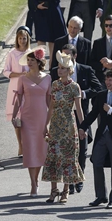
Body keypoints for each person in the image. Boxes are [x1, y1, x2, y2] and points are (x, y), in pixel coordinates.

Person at [51, 44, 102, 194]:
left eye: (69, 55)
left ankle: (78, 179)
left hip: (80, 115)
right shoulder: (56, 73)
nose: (66, 59)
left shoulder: (85, 70)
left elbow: (98, 88)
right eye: (63, 55)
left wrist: (81, 94)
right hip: (61, 118)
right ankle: (68, 184)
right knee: (64, 152)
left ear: (75, 56)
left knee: (81, 150)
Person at [79, 69, 112, 209]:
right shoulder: (101, 95)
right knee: (96, 162)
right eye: (106, 80)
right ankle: (101, 195)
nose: (107, 82)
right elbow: (93, 113)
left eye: (110, 80)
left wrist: (111, 110)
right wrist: (82, 127)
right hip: (102, 135)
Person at [42, 51, 85, 204]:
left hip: (68, 127)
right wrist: (45, 125)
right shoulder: (55, 85)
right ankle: (53, 191)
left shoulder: (75, 87)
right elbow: (51, 107)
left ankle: (65, 191)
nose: (59, 70)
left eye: (63, 68)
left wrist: (83, 127)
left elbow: (79, 109)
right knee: (53, 157)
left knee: (67, 158)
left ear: (69, 71)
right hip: (55, 126)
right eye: (59, 68)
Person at [12, 47, 51, 197]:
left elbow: (49, 100)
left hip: (42, 118)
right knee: (29, 150)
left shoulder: (47, 78)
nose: (29, 63)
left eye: (32, 60)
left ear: (38, 61)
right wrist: (15, 117)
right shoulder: (22, 78)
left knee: (41, 149)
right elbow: (18, 100)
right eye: (28, 60)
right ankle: (33, 184)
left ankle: (36, 179)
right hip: (27, 118)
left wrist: (51, 119)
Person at [3, 25, 31, 158]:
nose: (22, 41)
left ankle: (27, 145)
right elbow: (5, 71)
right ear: (17, 39)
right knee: (17, 120)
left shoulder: (31, 53)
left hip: (28, 89)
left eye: (24, 38)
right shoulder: (12, 54)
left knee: (26, 119)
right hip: (14, 87)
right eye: (20, 38)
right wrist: (17, 74)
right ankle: (20, 145)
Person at [32, 0, 67, 68]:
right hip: (40, 13)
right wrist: (36, 5)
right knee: (41, 40)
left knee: (53, 40)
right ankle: (40, 68)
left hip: (54, 11)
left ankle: (52, 68)